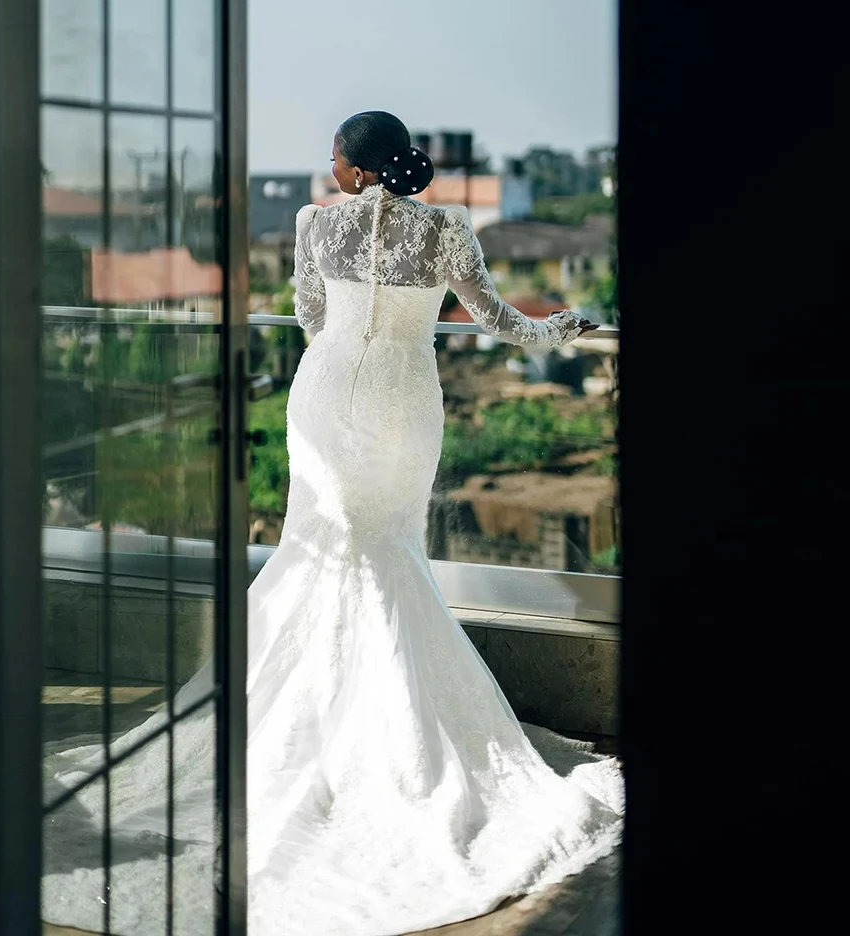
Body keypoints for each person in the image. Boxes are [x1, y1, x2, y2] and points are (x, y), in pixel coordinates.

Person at [41, 111, 621, 936]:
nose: (328, 166)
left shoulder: (316, 225)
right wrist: (559, 327)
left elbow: (311, 317)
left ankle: (327, 720)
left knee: (327, 549)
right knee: (384, 548)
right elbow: (494, 317)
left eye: (334, 156)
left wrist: (350, 350)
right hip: (404, 405)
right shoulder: (448, 228)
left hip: (326, 397)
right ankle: (390, 737)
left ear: (354, 169)